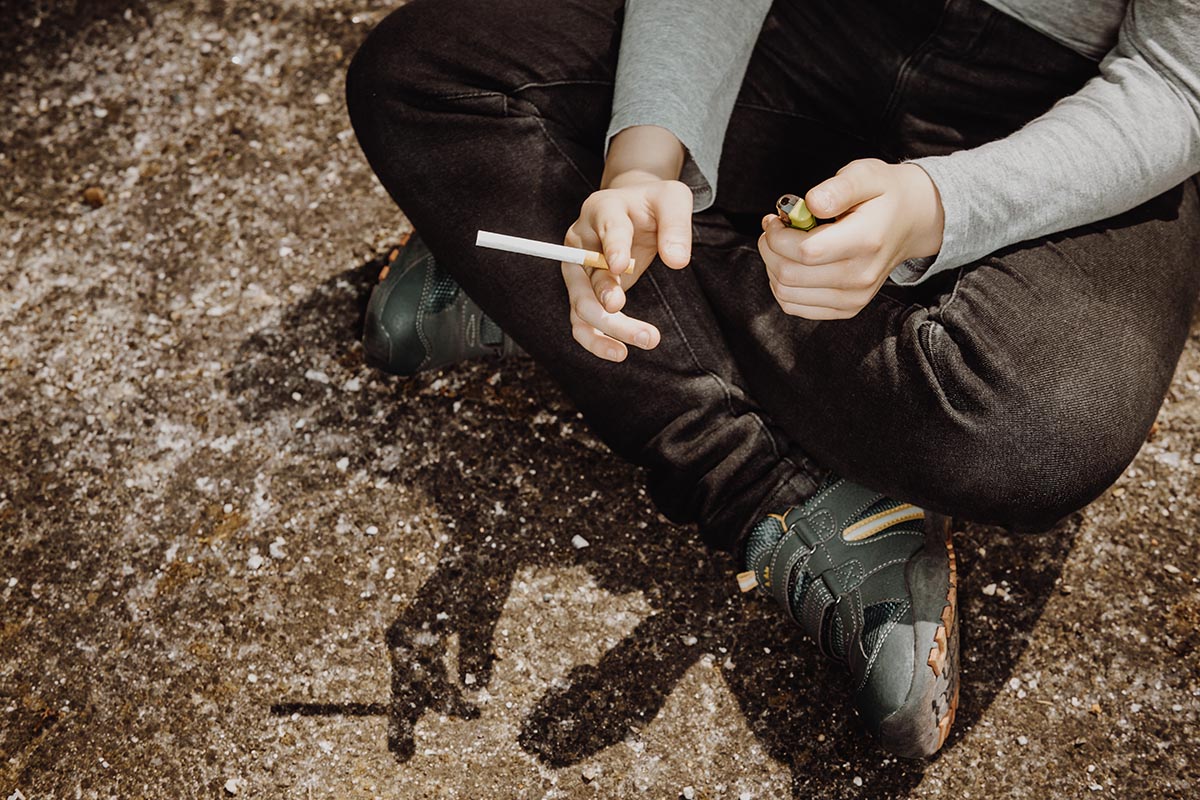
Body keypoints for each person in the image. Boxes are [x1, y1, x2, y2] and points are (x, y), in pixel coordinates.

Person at [344, 0, 1200, 758]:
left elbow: (1178, 82)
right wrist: (642, 163)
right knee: (423, 75)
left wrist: (939, 209)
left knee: (1038, 430)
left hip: (1067, 91)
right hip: (803, 25)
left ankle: (534, 271)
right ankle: (775, 491)